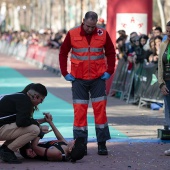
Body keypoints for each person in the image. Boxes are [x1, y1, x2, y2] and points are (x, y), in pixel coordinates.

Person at [59, 11, 115, 155]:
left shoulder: (103, 33)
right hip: (78, 79)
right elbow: (63, 53)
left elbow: (110, 52)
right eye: (88, 26)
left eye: (93, 26)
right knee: (79, 112)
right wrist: (65, 72)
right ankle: (80, 145)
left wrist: (110, 70)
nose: (90, 29)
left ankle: (101, 144)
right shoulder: (72, 34)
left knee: (100, 111)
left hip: (98, 79)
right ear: (83, 21)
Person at [0, 83, 48, 164]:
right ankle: (7, 151)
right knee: (35, 129)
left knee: (33, 126)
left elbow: (22, 122)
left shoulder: (17, 96)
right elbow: (21, 122)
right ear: (35, 96)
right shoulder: (25, 100)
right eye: (41, 99)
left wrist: (42, 120)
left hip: (2, 126)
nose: (41, 102)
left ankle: (4, 149)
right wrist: (38, 125)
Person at [19, 113, 86, 162]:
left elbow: (34, 147)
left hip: (27, 150)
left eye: (74, 141)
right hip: (32, 144)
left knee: (28, 126)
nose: (73, 140)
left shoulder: (57, 153)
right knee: (31, 125)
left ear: (71, 149)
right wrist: (50, 122)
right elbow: (60, 138)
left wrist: (40, 132)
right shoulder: (66, 146)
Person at [157, 21, 170, 156]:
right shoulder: (163, 45)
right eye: (167, 31)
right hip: (167, 83)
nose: (168, 34)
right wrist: (161, 84)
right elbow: (160, 65)